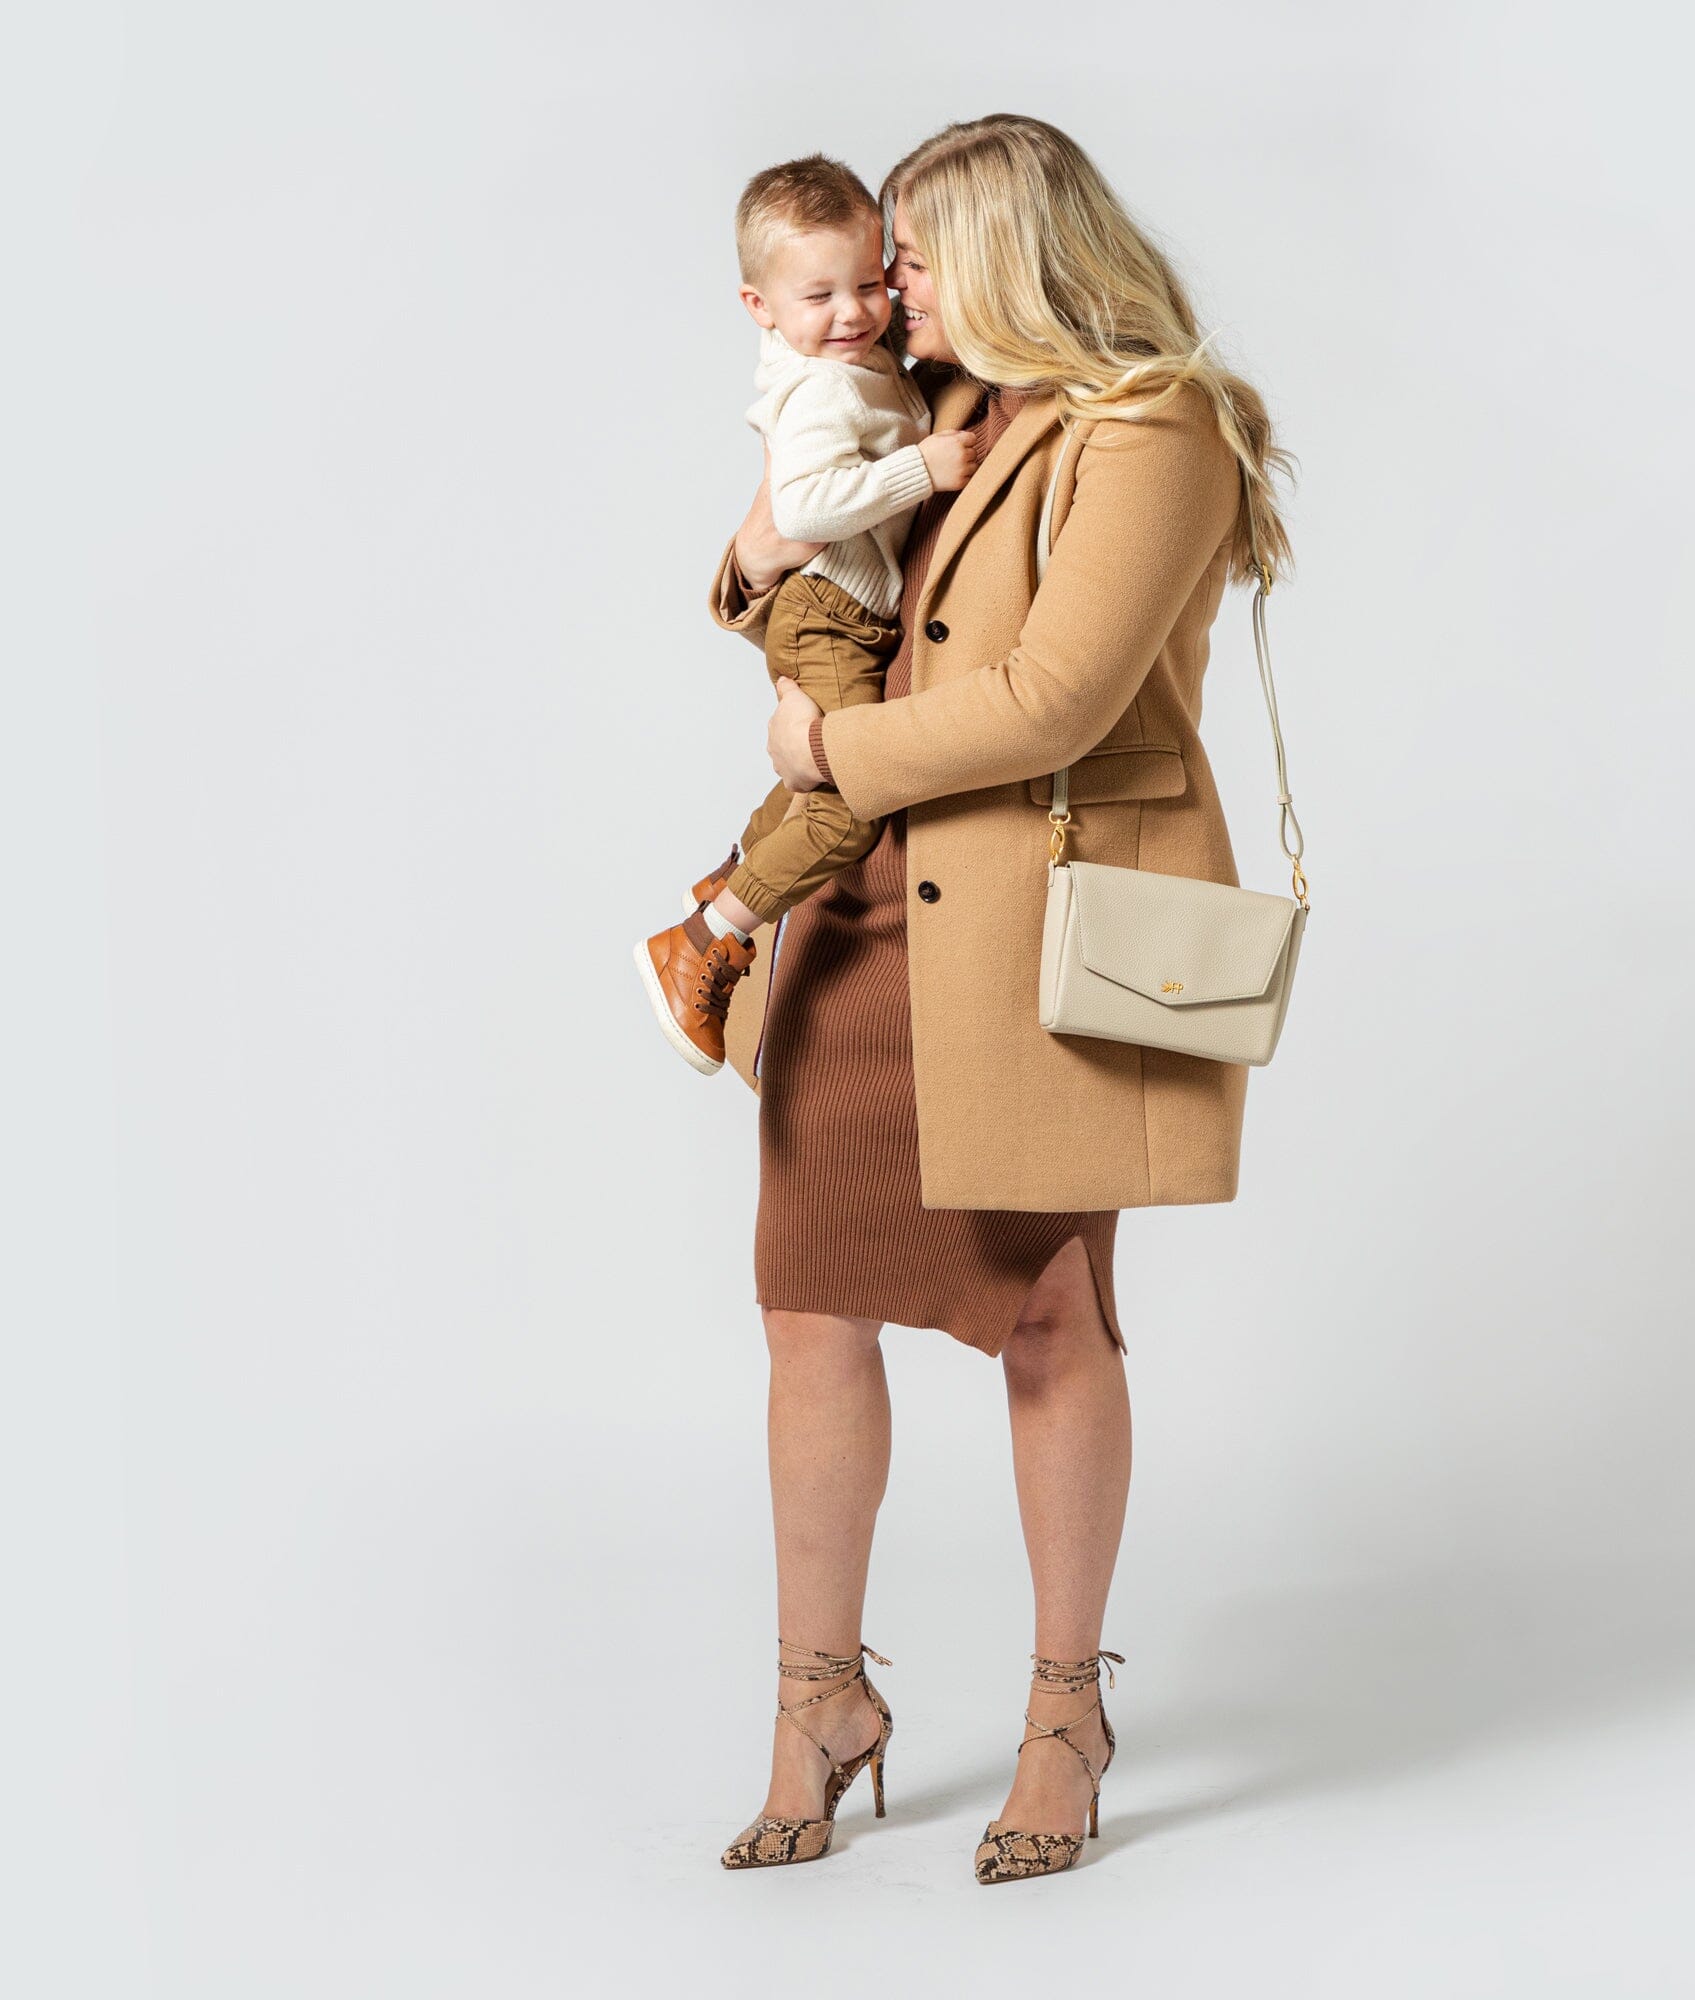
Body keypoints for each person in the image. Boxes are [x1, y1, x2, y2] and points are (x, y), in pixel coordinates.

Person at [704, 114, 1291, 1882]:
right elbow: (778, 568)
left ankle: (1063, 1715)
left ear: (1016, 256)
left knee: (1048, 1320)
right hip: (860, 924)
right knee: (810, 1311)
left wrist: (827, 750)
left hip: (1028, 937)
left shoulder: (1152, 426)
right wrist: (772, 525)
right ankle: (818, 1703)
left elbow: (1054, 701)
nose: (888, 286)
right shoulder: (928, 405)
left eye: (916, 255)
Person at [634, 153, 984, 1073]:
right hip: (830, 611)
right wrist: (920, 469)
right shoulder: (825, 385)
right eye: (820, 296)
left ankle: (731, 873)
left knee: (812, 792)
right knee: (846, 814)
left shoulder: (862, 360)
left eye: (870, 284)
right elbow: (801, 509)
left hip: (837, 607)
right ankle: (702, 941)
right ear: (760, 307)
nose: (855, 313)